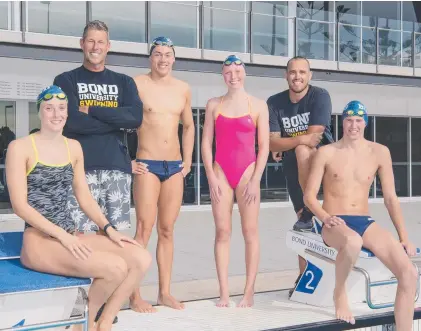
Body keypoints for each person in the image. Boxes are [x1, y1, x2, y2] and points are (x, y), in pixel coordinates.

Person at [6, 85, 152, 331]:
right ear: (39, 111)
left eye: (61, 108)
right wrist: (63, 237)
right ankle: (82, 323)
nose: (56, 114)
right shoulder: (20, 148)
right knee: (114, 268)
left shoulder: (72, 147)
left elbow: (84, 196)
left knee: (140, 258)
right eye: (49, 108)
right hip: (39, 242)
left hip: (69, 235)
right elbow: (20, 206)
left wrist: (108, 228)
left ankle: (103, 323)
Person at [53, 21, 143, 319]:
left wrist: (91, 110)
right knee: (81, 240)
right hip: (80, 169)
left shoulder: (124, 82)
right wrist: (113, 120)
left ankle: (107, 309)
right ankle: (80, 311)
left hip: (117, 170)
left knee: (117, 238)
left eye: (100, 42)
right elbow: (70, 122)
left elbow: (134, 119)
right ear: (82, 44)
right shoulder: (65, 80)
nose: (95, 47)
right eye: (90, 41)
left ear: (108, 46)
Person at [304, 100, 418, 327]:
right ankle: (340, 293)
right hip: (333, 221)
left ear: (365, 123)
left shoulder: (379, 152)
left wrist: (404, 237)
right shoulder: (326, 153)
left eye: (358, 120)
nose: (353, 125)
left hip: (365, 221)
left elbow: (390, 198)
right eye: (348, 120)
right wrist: (325, 217)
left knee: (409, 273)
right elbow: (309, 197)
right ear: (342, 122)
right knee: (353, 242)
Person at [131, 36, 195, 312]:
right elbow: (121, 122)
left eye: (167, 54)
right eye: (158, 54)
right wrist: (128, 160)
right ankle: (133, 295)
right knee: (144, 229)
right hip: (147, 164)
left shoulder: (183, 88)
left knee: (167, 229)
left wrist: (188, 161)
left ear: (174, 59)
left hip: (174, 167)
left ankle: (164, 292)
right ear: (150, 58)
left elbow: (189, 126)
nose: (163, 59)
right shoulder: (137, 84)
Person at [201, 55, 269, 308]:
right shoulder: (213, 104)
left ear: (244, 74)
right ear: (222, 75)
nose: (233, 76)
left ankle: (249, 292)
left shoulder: (258, 105)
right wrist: (210, 174)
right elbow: (207, 142)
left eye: (237, 72)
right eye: (228, 72)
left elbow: (264, 147)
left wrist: (256, 180)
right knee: (222, 232)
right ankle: (224, 293)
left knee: (250, 232)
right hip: (221, 172)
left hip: (248, 173)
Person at [267, 56, 334, 296]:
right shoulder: (274, 102)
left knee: (302, 148)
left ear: (310, 75)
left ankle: (309, 208)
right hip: (294, 170)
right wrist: (287, 142)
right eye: (293, 72)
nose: (297, 77)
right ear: (286, 75)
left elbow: (315, 137)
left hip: (324, 166)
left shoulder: (320, 96)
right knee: (304, 227)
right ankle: (305, 278)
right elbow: (271, 141)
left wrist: (287, 143)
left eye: (302, 72)